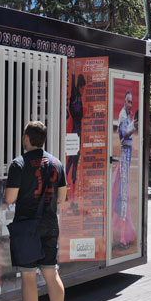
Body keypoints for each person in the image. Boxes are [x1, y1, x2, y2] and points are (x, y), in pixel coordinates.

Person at [5, 121, 67, 301]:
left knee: (29, 277)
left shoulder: (18, 164)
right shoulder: (57, 163)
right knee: (52, 274)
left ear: (26, 139)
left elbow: (10, 198)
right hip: (50, 224)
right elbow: (61, 198)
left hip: (27, 227)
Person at [113, 90, 138, 249]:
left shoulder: (126, 115)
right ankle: (122, 237)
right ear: (124, 101)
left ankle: (123, 235)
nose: (130, 104)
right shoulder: (123, 115)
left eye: (131, 102)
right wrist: (132, 127)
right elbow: (122, 135)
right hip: (124, 156)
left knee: (123, 198)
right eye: (128, 101)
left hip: (126, 158)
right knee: (122, 198)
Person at [66, 74, 86, 209]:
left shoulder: (78, 99)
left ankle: (70, 196)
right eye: (81, 87)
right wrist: (73, 75)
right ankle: (69, 196)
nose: (83, 90)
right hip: (74, 135)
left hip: (77, 135)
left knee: (72, 164)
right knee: (72, 164)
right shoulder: (75, 98)